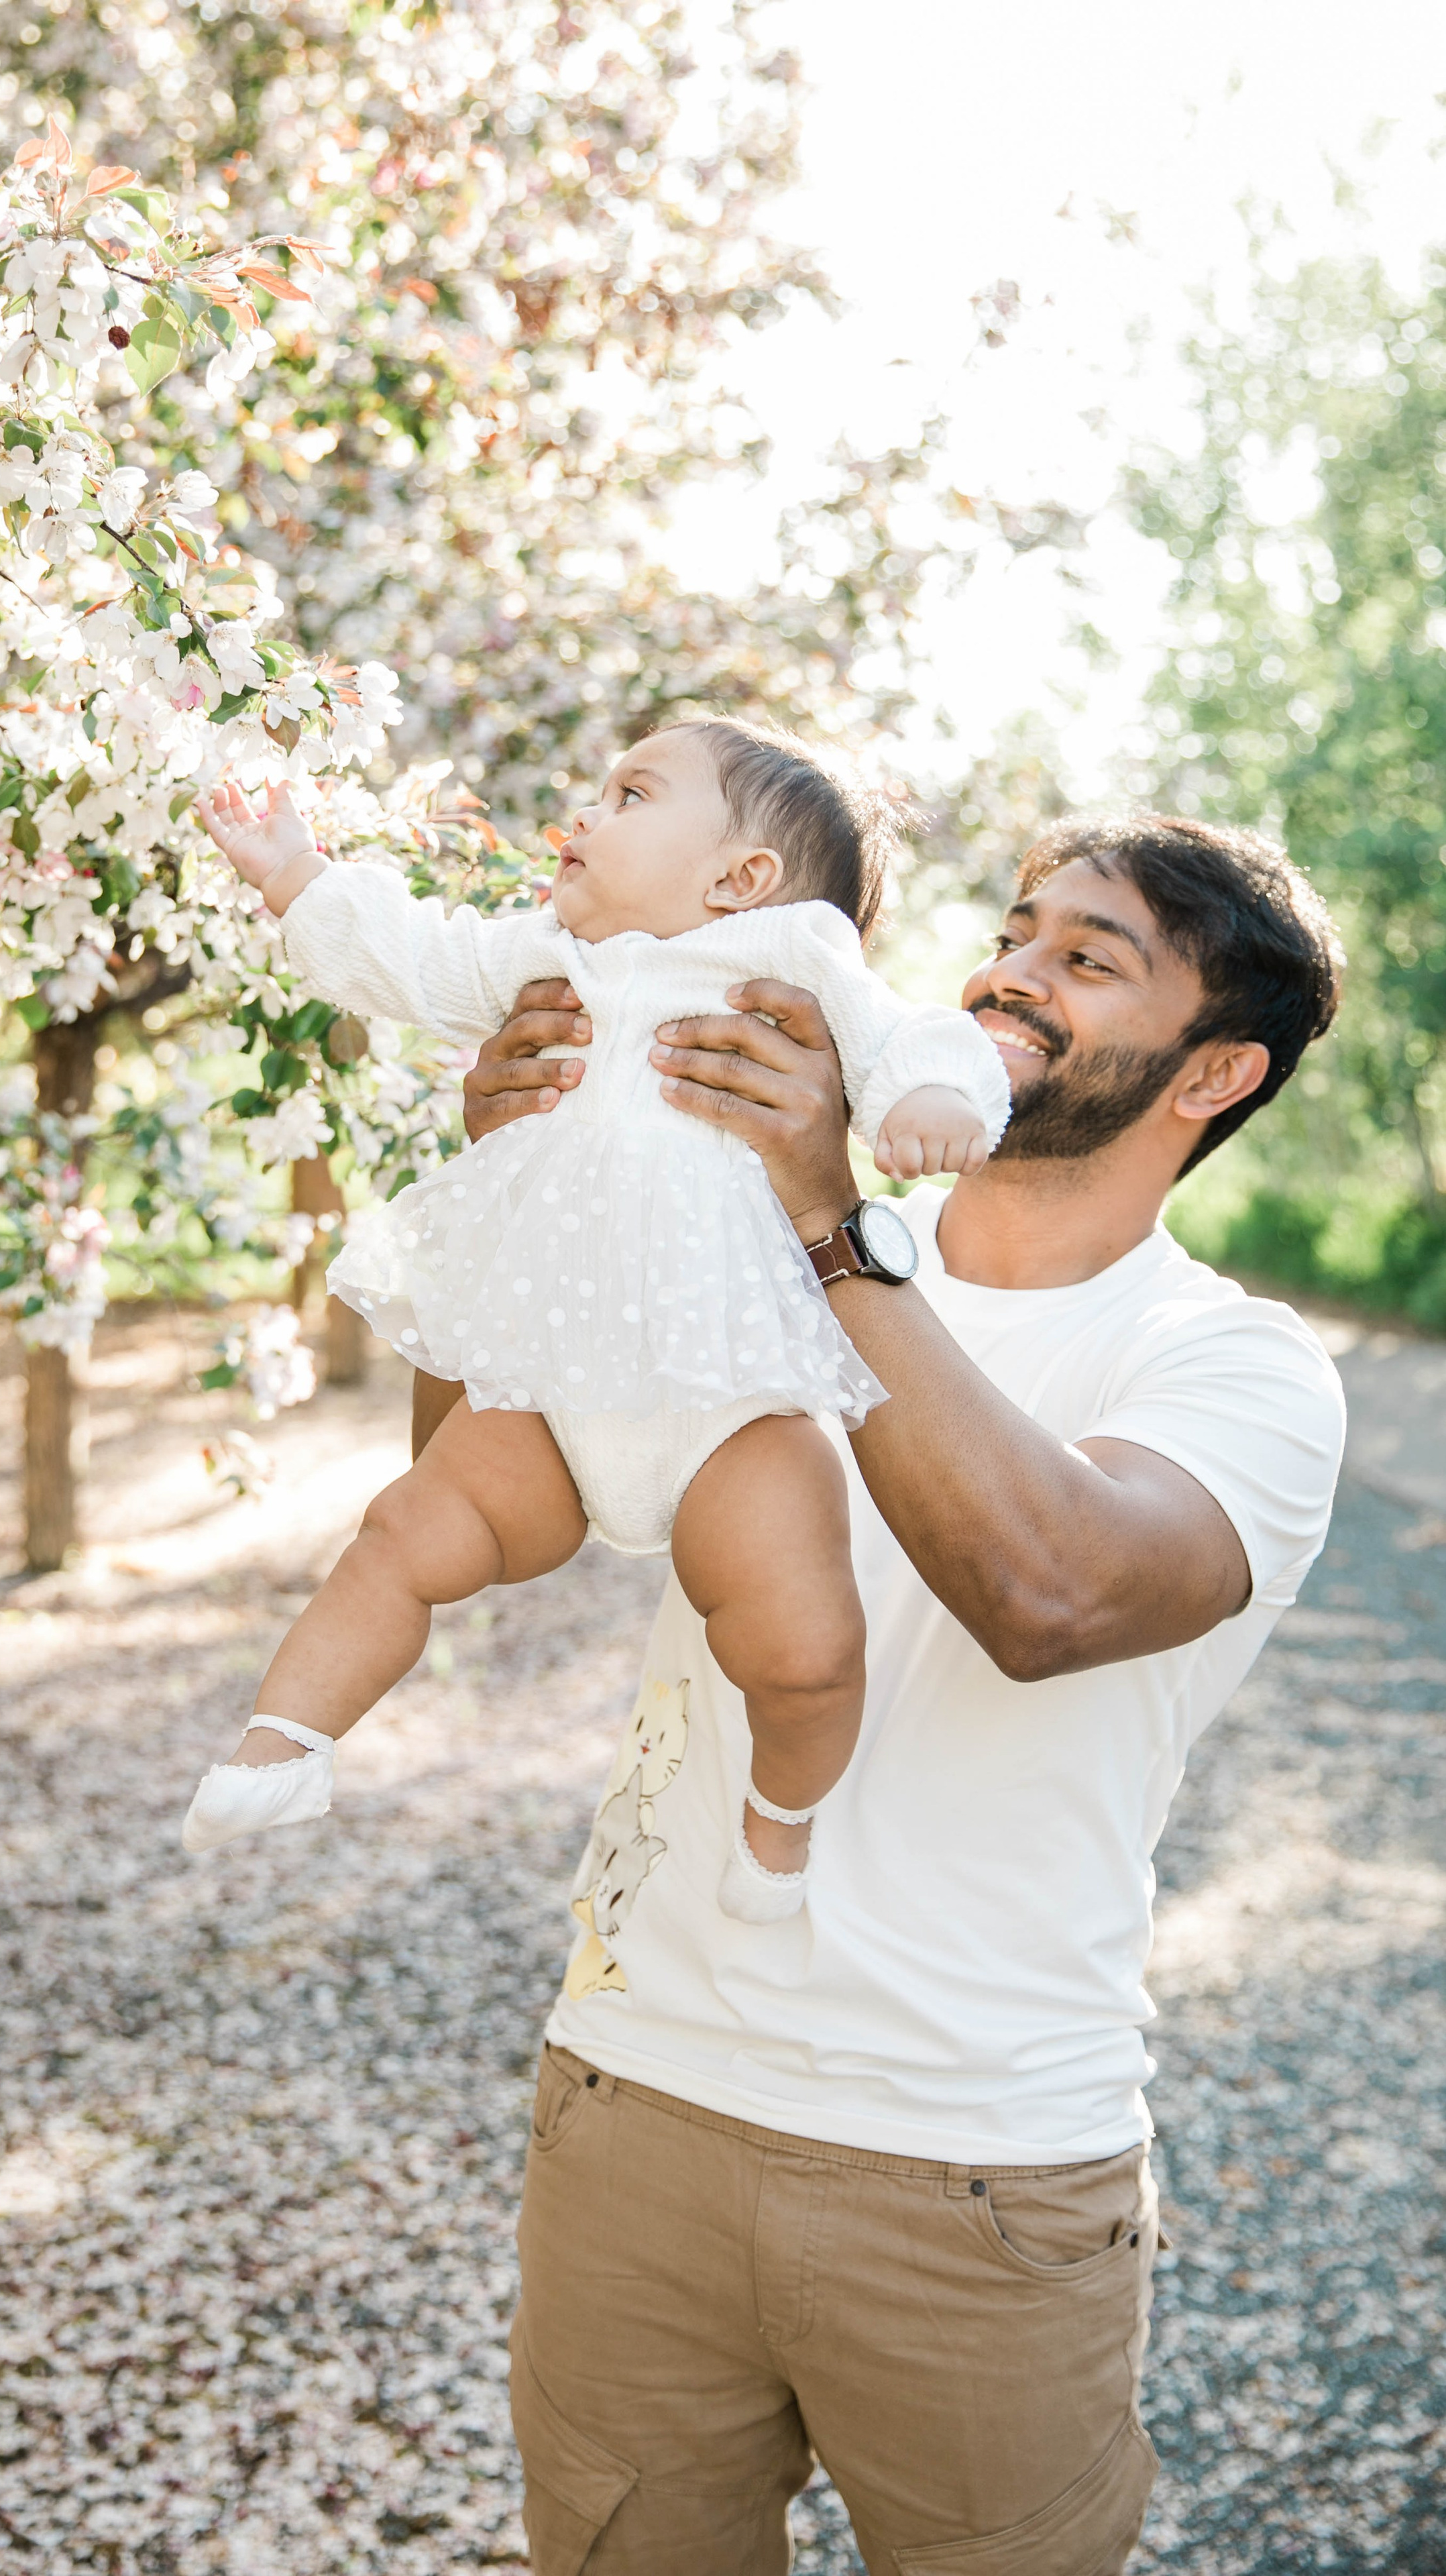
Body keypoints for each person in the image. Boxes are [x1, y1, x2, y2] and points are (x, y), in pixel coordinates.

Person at [423, 813, 1347, 2576]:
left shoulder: (1235, 1366)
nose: (1011, 973)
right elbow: (480, 1504)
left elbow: (1048, 1594)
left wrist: (830, 1223)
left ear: (1214, 1072)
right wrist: (506, 1200)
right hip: (633, 2101)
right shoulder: (747, 1229)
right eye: (1015, 931)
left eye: (1088, 959)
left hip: (978, 2168)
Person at [182, 720, 1008, 1921]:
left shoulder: (791, 954)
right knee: (403, 1533)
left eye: (632, 796)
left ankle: (779, 1822)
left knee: (806, 1653)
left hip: (733, 1404)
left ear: (740, 879)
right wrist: (296, 875)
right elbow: (417, 957)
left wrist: (931, 1096)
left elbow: (907, 1032)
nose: (586, 813)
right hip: (553, 1386)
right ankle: (285, 1742)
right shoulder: (547, 953)